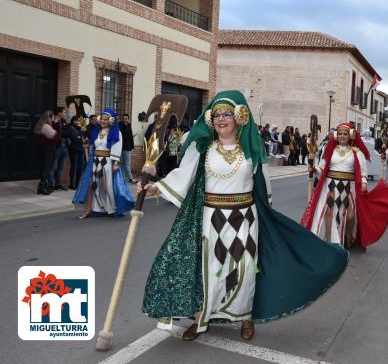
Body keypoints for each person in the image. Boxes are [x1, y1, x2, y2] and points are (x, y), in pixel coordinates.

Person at [141, 91, 348, 341]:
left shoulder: (251, 150)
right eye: (216, 115)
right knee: (210, 268)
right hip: (210, 216)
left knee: (244, 269)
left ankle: (245, 317)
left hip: (245, 218)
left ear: (239, 116)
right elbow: (183, 176)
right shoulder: (202, 149)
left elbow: (264, 186)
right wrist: (157, 187)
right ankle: (200, 319)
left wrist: (268, 214)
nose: (221, 119)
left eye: (227, 113)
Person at [302, 123, 388, 249]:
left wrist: (364, 183)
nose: (342, 136)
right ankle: (329, 240)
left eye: (345, 134)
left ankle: (347, 235)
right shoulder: (329, 150)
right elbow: (322, 167)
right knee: (329, 213)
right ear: (336, 135)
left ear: (350, 135)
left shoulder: (356, 152)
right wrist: (314, 169)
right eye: (340, 134)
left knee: (350, 216)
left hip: (349, 188)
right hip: (331, 186)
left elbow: (363, 172)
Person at [72, 108, 135, 218]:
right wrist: (87, 143)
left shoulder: (116, 132)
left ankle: (111, 208)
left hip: (107, 163)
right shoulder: (97, 131)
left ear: (111, 120)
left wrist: (116, 163)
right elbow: (93, 145)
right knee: (92, 185)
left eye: (106, 119)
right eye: (102, 119)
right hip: (95, 162)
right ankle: (90, 210)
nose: (103, 121)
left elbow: (117, 147)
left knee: (106, 186)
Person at [33, 111, 61, 195]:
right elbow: (57, 138)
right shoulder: (46, 126)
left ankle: (43, 186)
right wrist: (57, 125)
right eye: (52, 117)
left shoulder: (42, 125)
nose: (53, 119)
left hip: (45, 149)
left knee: (45, 167)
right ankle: (41, 187)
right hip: (48, 149)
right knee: (47, 168)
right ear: (49, 117)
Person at [48, 107, 69, 191]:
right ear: (59, 113)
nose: (65, 114)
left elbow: (67, 132)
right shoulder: (53, 122)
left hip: (64, 146)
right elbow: (55, 134)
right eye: (64, 112)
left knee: (61, 167)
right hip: (56, 147)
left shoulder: (64, 122)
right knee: (53, 166)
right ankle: (50, 184)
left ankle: (58, 184)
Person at [64, 116, 86, 190]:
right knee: (74, 167)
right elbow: (74, 138)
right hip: (73, 150)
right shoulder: (69, 128)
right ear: (73, 121)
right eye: (77, 120)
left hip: (81, 150)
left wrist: (82, 136)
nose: (78, 122)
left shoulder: (79, 129)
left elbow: (83, 138)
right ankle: (72, 184)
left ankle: (78, 183)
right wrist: (80, 138)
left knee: (81, 167)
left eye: (79, 121)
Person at [119, 113, 136, 184]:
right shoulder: (120, 126)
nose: (125, 120)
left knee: (124, 164)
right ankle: (130, 178)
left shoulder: (129, 125)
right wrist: (131, 136)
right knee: (127, 164)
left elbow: (130, 136)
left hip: (129, 147)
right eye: (124, 118)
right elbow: (122, 137)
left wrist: (132, 146)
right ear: (122, 119)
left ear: (128, 119)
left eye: (126, 118)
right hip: (124, 147)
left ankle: (122, 178)